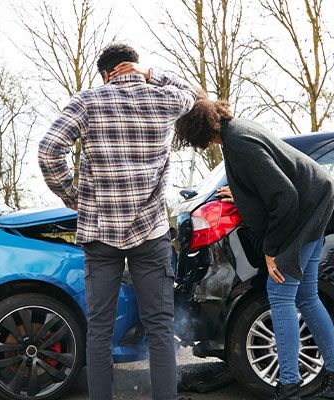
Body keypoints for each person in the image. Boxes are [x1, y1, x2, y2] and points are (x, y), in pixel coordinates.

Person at [37, 43, 197, 400]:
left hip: (100, 232)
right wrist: (153, 76)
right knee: (159, 327)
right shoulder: (165, 99)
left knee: (100, 329)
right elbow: (193, 93)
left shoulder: (88, 102)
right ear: (135, 67)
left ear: (106, 74)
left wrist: (73, 197)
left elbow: (49, 150)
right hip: (150, 232)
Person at [173, 97, 334, 400]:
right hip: (315, 203)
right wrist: (242, 193)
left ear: (196, 130)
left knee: (281, 296)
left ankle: (288, 387)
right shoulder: (237, 132)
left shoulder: (240, 143)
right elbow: (269, 182)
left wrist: (272, 250)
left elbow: (284, 197)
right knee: (307, 298)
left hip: (305, 211)